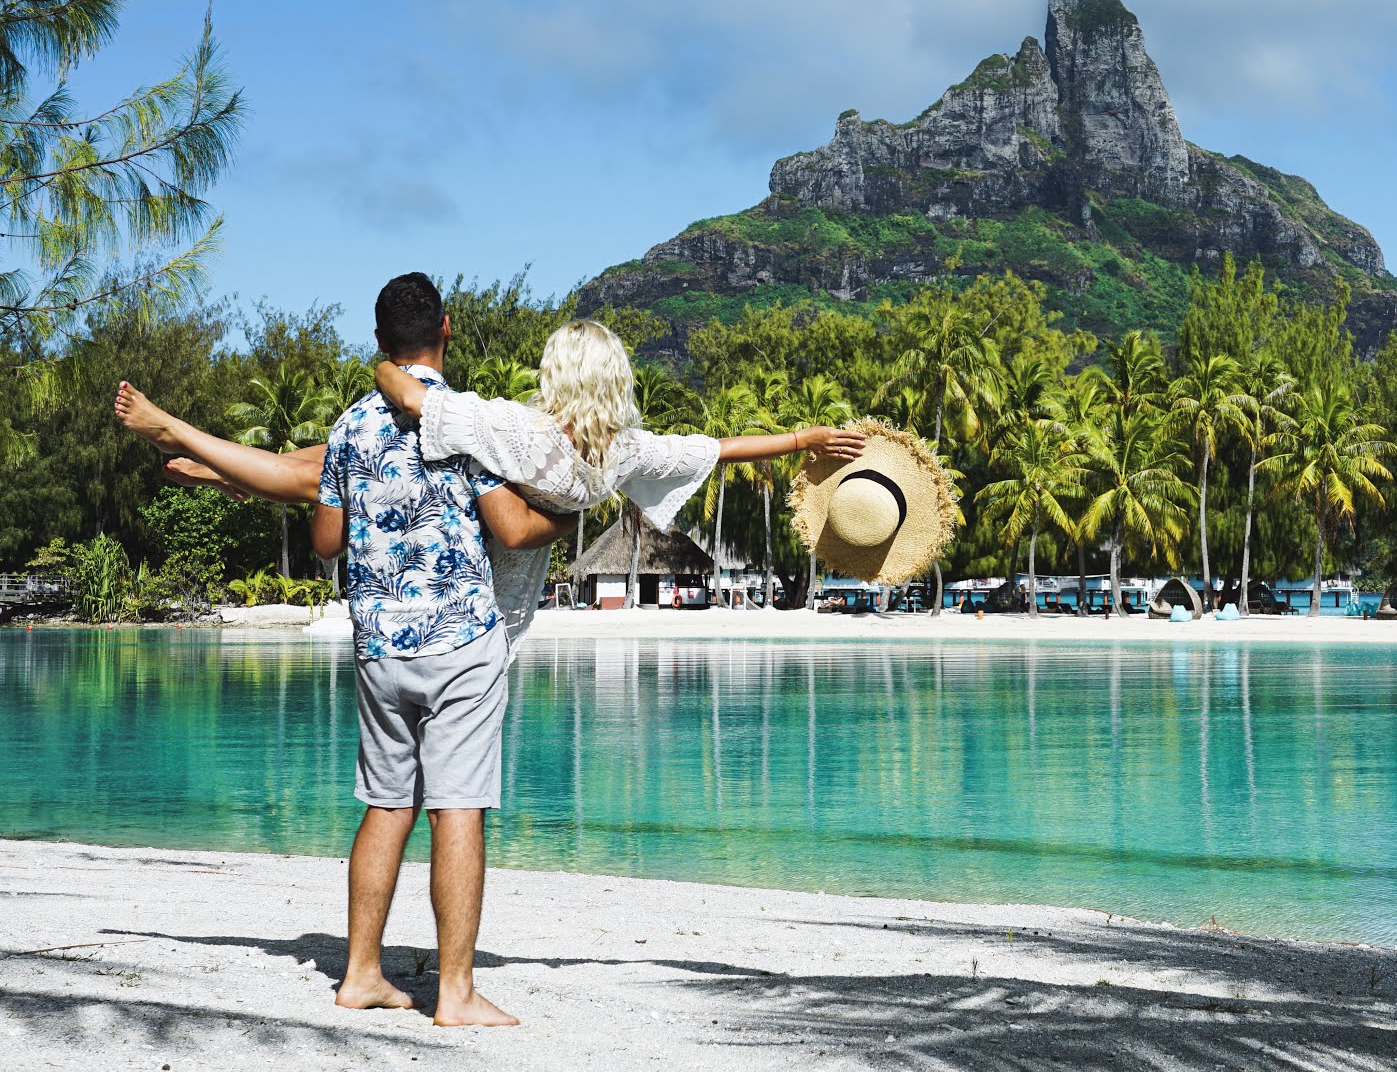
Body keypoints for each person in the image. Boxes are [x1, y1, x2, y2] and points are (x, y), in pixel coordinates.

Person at [115, 319, 866, 635]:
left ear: (556, 375)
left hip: (469, 542)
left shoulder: (517, 427)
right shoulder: (625, 450)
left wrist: (382, 356)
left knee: (326, 468)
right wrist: (803, 439)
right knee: (321, 470)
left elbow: (406, 391)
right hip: (493, 593)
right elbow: (714, 447)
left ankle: (197, 447)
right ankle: (223, 475)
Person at [313, 273, 571, 1027]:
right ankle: (453, 991)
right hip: (459, 639)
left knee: (386, 804)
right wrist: (575, 514)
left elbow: (327, 540)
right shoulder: (462, 422)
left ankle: (361, 972)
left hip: (380, 646)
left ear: (378, 340)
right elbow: (515, 529)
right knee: (457, 806)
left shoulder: (349, 426)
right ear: (447, 329)